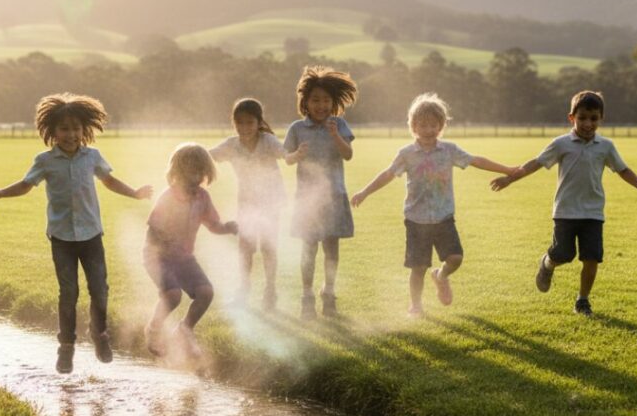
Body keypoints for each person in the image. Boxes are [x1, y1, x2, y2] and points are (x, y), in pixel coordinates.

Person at [0, 93, 152, 374]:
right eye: (64, 129)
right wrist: (0, 193)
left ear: (84, 130)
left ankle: (99, 335)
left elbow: (109, 180)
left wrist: (135, 193)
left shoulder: (92, 157)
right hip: (62, 237)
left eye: (76, 128)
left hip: (91, 236)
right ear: (52, 131)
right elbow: (26, 185)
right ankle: (66, 346)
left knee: (99, 289)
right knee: (69, 292)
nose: (71, 134)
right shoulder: (46, 160)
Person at [491, 90, 637, 316]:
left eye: (594, 118)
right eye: (582, 118)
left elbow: (623, 170)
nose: (588, 124)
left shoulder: (605, 146)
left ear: (601, 119)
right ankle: (547, 264)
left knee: (592, 257)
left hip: (593, 213)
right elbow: (536, 163)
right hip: (565, 211)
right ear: (572, 118)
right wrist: (510, 178)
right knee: (563, 254)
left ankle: (583, 301)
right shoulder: (561, 144)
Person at [351, 93, 516, 315]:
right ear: (413, 126)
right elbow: (389, 174)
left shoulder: (449, 150)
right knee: (417, 268)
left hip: (443, 217)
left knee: (455, 258)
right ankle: (415, 306)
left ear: (441, 126)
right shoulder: (406, 154)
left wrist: (507, 170)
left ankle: (441, 276)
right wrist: (365, 192)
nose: (428, 130)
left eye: (433, 125)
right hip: (416, 220)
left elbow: (476, 160)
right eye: (422, 125)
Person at [143, 143, 238, 361]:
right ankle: (154, 329)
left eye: (200, 172)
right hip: (157, 257)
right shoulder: (167, 197)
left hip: (184, 258)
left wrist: (227, 228)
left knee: (206, 292)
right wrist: (163, 241)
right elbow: (153, 229)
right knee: (173, 295)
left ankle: (185, 330)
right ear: (177, 172)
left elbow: (213, 225)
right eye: (190, 172)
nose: (195, 177)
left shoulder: (202, 198)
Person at [283, 66, 357, 319]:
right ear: (305, 102)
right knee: (309, 248)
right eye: (315, 100)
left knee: (331, 249)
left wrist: (336, 135)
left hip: (334, 197)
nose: (321, 105)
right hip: (307, 200)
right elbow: (288, 160)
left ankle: (329, 294)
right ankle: (307, 296)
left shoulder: (340, 124)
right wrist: (296, 155)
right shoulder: (296, 129)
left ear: (333, 102)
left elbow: (348, 154)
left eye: (326, 100)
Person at [209, 98, 286, 310]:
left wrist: (295, 155)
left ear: (259, 122)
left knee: (268, 247)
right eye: (239, 122)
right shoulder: (231, 145)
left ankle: (270, 291)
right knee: (245, 248)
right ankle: (243, 291)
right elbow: (208, 156)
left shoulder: (268, 140)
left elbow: (284, 153)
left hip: (271, 201)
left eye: (249, 122)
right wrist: (188, 155)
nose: (244, 128)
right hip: (247, 203)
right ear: (234, 123)